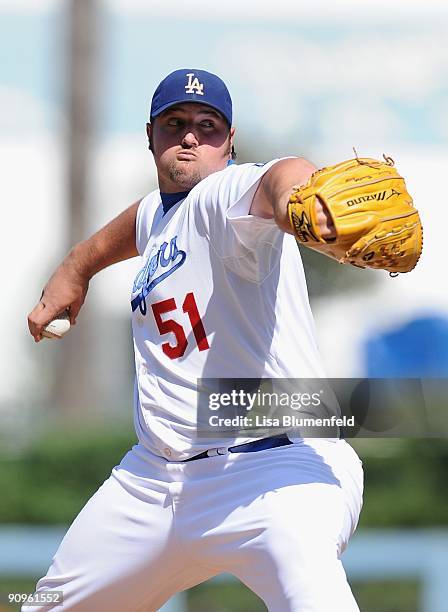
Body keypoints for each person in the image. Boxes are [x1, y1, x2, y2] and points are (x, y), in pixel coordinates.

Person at [26, 68, 363, 611]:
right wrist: (76, 267)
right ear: (151, 136)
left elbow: (282, 176)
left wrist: (301, 196)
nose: (190, 136)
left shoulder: (226, 196)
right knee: (44, 605)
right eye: (175, 122)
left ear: (229, 142)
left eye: (208, 126)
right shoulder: (161, 218)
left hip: (274, 471)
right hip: (153, 484)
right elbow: (133, 224)